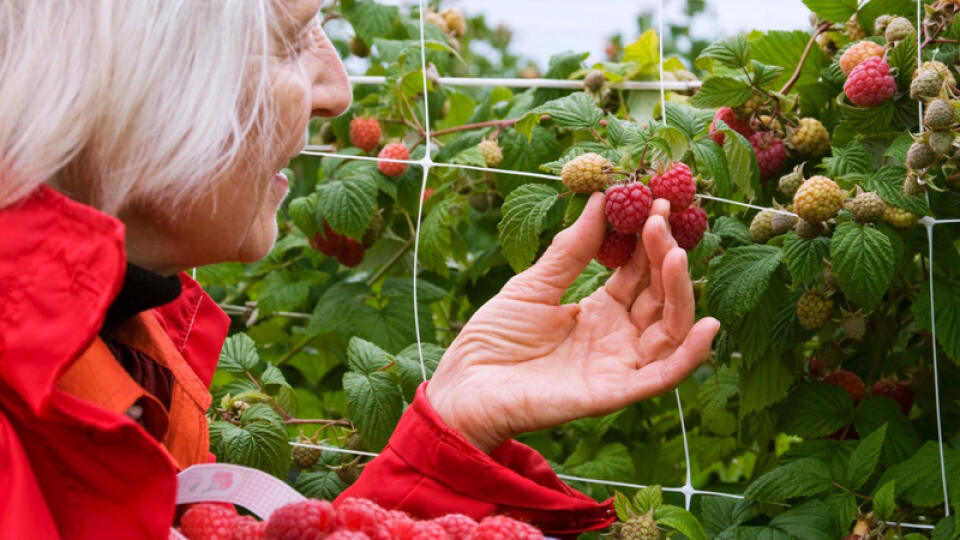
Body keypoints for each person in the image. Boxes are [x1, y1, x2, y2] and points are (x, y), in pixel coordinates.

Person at [0, 1, 719, 538]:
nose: (338, 90)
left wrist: (457, 428)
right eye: (289, 42)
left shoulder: (118, 345)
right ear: (128, 71)